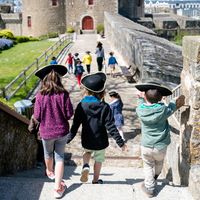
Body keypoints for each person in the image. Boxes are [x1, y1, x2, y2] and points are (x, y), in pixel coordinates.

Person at [67, 72, 126, 184]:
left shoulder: (81, 105)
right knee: (98, 160)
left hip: (87, 138)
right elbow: (111, 126)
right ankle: (95, 180)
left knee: (87, 152)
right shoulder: (105, 107)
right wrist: (121, 142)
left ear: (86, 91)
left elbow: (75, 125)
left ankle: (85, 165)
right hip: (100, 140)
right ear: (102, 92)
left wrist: (68, 138)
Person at [135, 82, 185, 198]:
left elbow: (141, 104)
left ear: (145, 97)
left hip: (146, 145)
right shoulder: (163, 110)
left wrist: (140, 98)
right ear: (160, 98)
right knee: (159, 162)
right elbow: (173, 107)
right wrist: (172, 101)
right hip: (161, 145)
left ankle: (150, 188)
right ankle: (155, 177)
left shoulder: (140, 110)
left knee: (147, 165)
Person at [34, 64, 74, 198]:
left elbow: (37, 116)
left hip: (46, 132)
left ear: (44, 80)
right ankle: (58, 188)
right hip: (61, 131)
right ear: (59, 79)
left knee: (47, 154)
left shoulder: (40, 96)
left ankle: (49, 171)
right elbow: (69, 114)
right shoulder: (64, 94)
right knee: (60, 157)